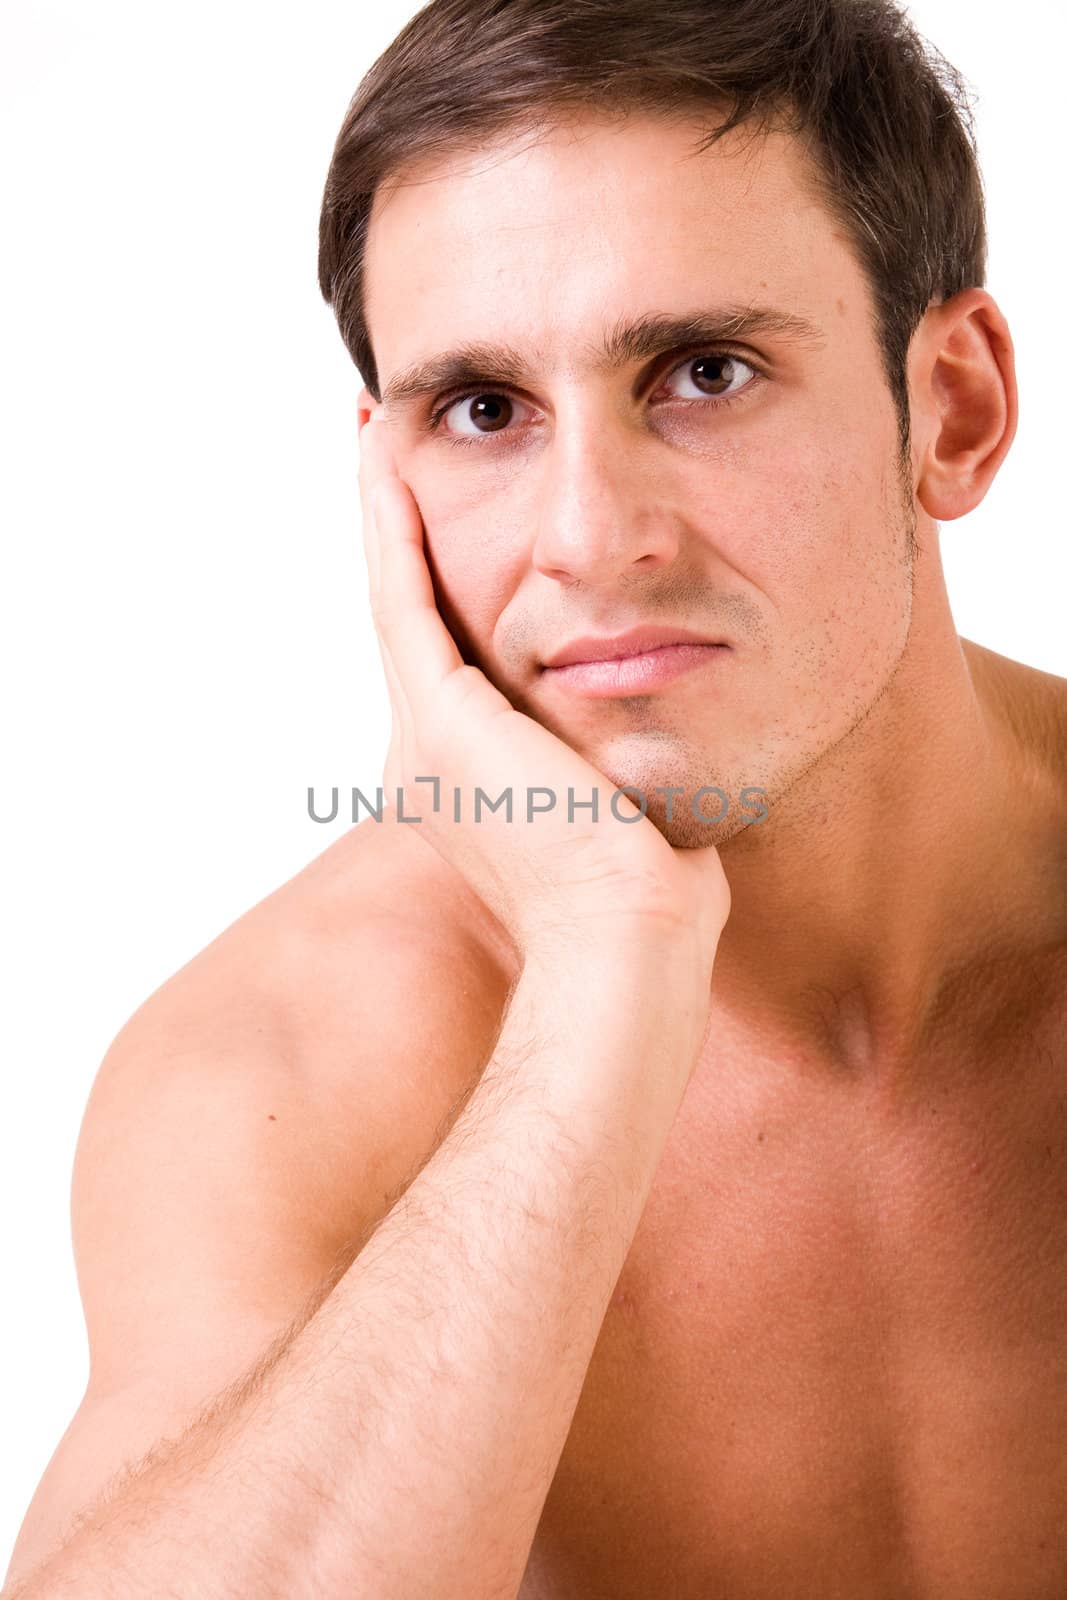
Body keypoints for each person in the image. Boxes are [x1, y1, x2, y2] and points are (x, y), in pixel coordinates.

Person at [5, 0, 1066, 1594]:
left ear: (955, 410)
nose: (586, 535)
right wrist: (603, 971)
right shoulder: (285, 1064)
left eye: (705, 373)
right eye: (483, 413)